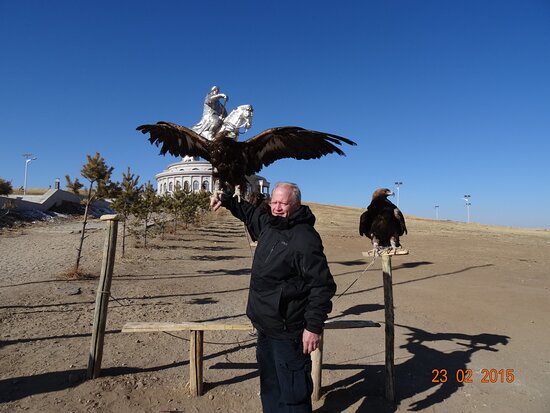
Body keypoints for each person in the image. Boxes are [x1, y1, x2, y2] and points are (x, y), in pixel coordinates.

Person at [211, 182, 336, 413]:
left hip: (288, 329)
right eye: (274, 202)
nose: (277, 207)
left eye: (283, 203)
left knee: (292, 390)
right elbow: (248, 212)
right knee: (270, 384)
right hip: (265, 326)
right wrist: (226, 199)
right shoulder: (270, 223)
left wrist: (313, 326)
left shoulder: (305, 238)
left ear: (296, 204)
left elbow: (322, 285)